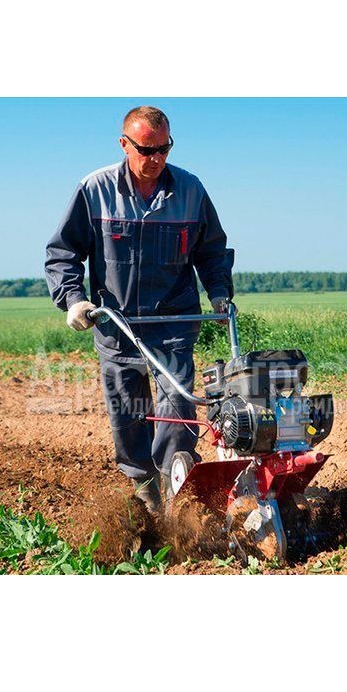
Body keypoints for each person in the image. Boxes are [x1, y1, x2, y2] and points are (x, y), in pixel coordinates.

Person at [45, 106, 234, 512]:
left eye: (164, 149)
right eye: (147, 150)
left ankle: (178, 492)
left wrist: (219, 292)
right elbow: (63, 253)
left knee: (177, 406)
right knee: (129, 413)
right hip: (118, 323)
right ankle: (145, 489)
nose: (156, 159)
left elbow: (212, 250)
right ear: (124, 144)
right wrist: (73, 299)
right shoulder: (94, 190)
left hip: (173, 321)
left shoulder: (190, 190)